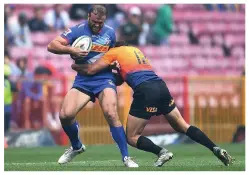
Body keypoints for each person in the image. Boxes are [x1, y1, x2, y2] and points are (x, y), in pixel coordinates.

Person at [71, 41, 234, 167]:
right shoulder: (136, 51)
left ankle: (162, 152)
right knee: (182, 126)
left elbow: (91, 70)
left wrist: (76, 66)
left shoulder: (113, 52)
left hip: (145, 91)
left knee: (132, 137)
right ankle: (215, 148)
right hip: (161, 86)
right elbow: (121, 78)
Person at [47, 5, 138, 167]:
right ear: (89, 16)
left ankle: (126, 157)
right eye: (95, 21)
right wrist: (71, 49)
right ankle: (76, 146)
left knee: (111, 113)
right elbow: (52, 45)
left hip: (104, 79)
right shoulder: (77, 30)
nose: (98, 25)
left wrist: (116, 65)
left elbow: (112, 55)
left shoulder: (110, 32)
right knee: (65, 115)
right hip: (83, 80)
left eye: (101, 23)